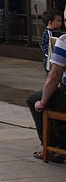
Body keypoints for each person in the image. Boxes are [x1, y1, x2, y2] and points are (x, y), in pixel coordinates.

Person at [27, 34, 66, 163]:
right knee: (56, 96)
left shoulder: (64, 40)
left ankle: (52, 147)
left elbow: (54, 77)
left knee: (35, 100)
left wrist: (43, 102)